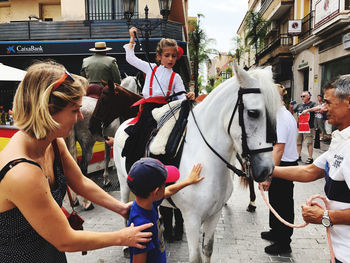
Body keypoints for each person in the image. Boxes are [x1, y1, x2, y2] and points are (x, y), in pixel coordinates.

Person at [0, 61, 153, 262]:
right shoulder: (22, 172)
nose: (80, 116)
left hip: (49, 251)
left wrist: (121, 207)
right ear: (48, 110)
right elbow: (65, 239)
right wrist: (124, 237)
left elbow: (80, 182)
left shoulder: (53, 144)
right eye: (74, 110)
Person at [263, 74, 350, 263]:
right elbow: (311, 171)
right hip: (340, 253)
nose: (322, 108)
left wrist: (325, 216)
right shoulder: (341, 139)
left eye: (328, 102)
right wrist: (268, 170)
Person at [123, 27, 195, 242]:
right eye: (167, 55)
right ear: (159, 56)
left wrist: (189, 95)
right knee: (137, 137)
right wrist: (132, 39)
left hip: (166, 111)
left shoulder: (176, 77)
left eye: (174, 56)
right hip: (147, 111)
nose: (171, 59)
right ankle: (134, 165)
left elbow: (182, 97)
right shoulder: (150, 68)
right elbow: (130, 57)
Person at [126, 157, 203, 263]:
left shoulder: (146, 203)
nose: (166, 186)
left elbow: (169, 191)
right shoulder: (142, 227)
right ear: (156, 192)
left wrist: (189, 181)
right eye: (165, 184)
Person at [259, 84, 298, 254]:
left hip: (284, 165)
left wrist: (269, 176)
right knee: (275, 201)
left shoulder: (281, 117)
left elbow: (279, 148)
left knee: (283, 204)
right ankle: (275, 231)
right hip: (281, 164)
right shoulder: (280, 114)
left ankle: (284, 242)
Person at [289, 91, 317, 164]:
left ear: (308, 96)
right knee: (298, 142)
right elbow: (292, 113)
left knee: (309, 142)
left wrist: (308, 110)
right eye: (301, 96)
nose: (302, 98)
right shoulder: (299, 105)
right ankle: (298, 155)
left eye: (304, 96)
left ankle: (310, 158)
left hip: (308, 127)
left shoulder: (312, 104)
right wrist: (291, 108)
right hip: (300, 126)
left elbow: (318, 108)